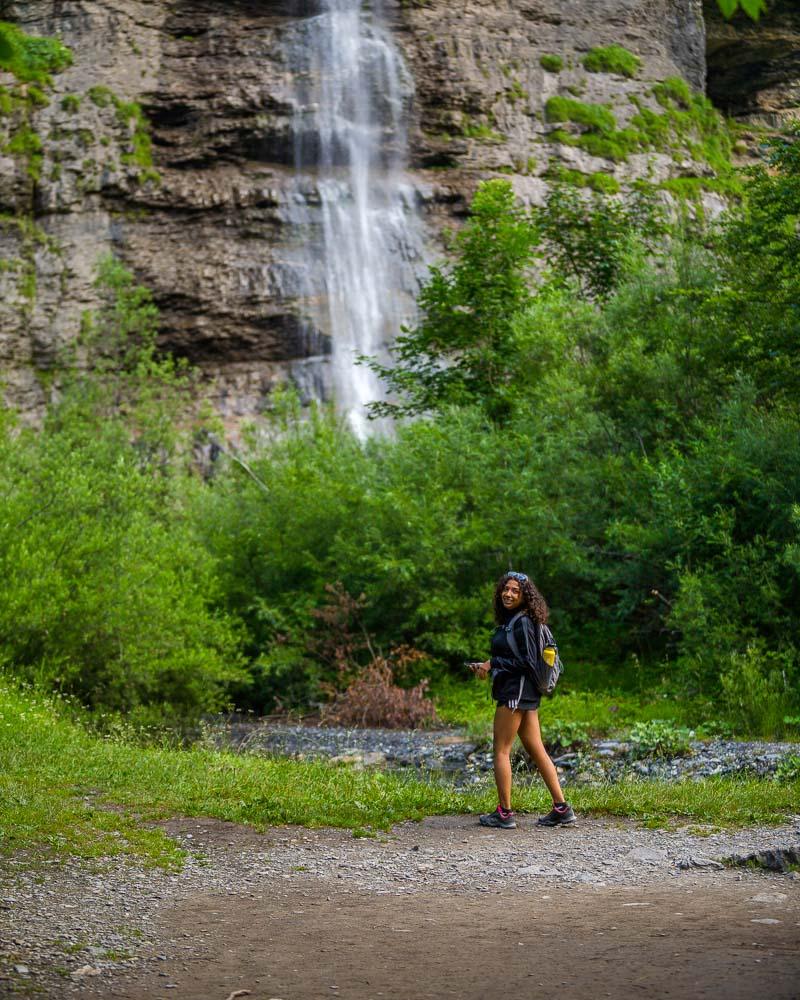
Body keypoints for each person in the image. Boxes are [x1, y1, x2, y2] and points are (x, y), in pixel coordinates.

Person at [471, 571, 576, 830]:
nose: (508, 594)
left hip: (515, 694)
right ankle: (561, 809)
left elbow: (525, 662)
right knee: (536, 748)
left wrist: (492, 663)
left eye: (515, 591)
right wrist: (489, 666)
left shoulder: (523, 623)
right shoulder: (515, 621)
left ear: (525, 596)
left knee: (501, 750)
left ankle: (504, 813)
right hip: (524, 694)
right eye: (506, 589)